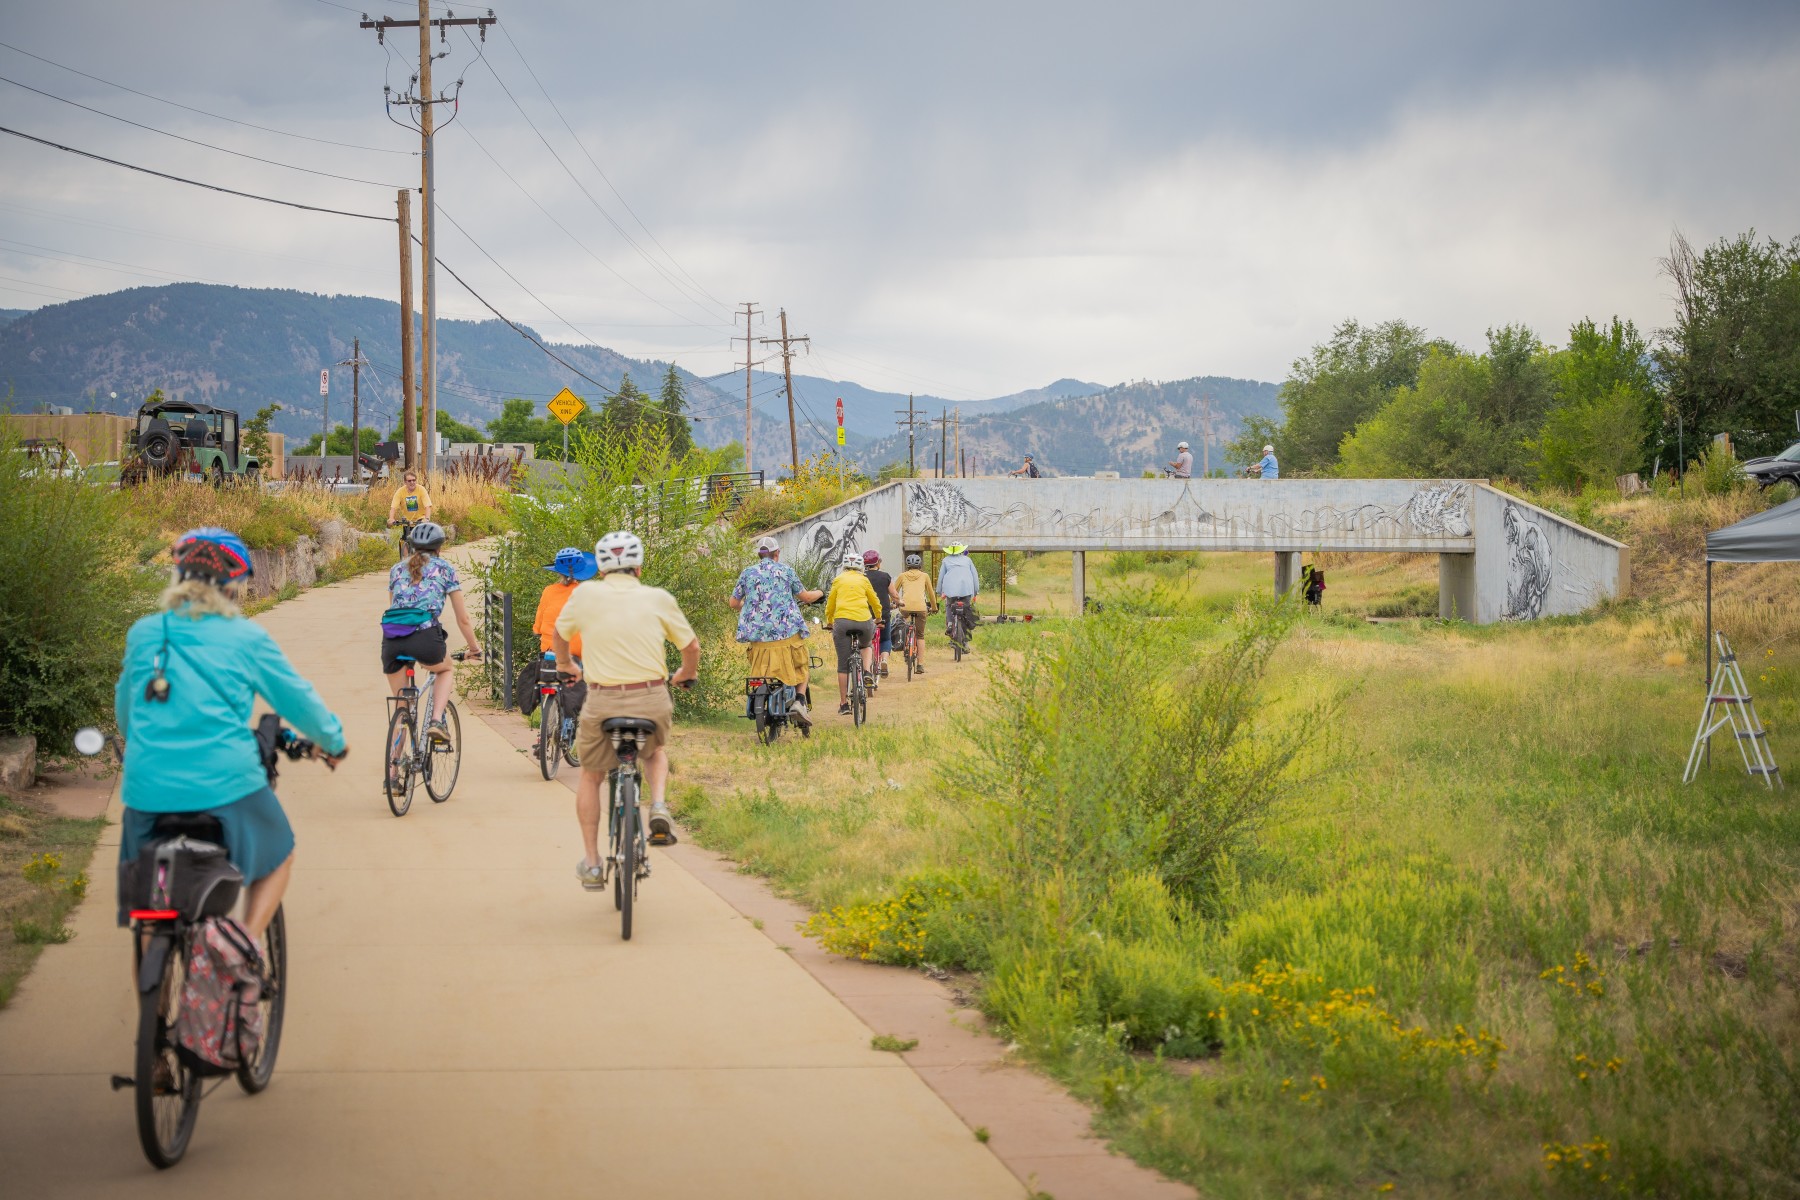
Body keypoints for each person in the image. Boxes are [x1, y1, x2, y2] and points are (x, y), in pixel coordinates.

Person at [115, 527, 348, 942]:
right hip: (225, 783)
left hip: (148, 786)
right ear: (234, 585)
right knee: (278, 856)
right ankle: (240, 945)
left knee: (150, 912)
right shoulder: (246, 638)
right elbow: (297, 700)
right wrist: (333, 742)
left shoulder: (144, 633)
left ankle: (153, 999)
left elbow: (126, 715)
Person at [554, 531, 700, 878]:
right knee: (654, 750)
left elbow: (560, 635)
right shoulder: (657, 598)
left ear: (600, 569)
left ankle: (592, 863)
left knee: (591, 775)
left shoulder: (585, 593)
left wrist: (566, 666)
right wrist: (684, 674)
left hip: (603, 698)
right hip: (650, 696)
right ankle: (659, 805)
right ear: (639, 565)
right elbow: (691, 647)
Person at [381, 521, 483, 765]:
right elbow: (463, 619)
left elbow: (396, 606)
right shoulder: (445, 569)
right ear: (440, 547)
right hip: (426, 638)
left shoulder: (396, 569)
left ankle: (394, 773)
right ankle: (437, 720)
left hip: (392, 640)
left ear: (412, 545)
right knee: (445, 668)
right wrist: (474, 648)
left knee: (401, 708)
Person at [728, 535, 824, 727]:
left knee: (760, 669)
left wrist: (751, 607)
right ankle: (799, 700)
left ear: (759, 554)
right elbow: (805, 597)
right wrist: (821, 592)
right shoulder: (786, 571)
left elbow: (733, 603)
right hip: (785, 634)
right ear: (777, 553)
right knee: (802, 664)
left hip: (757, 638)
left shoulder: (747, 573)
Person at [530, 547, 595, 747]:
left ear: (557, 571)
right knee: (582, 688)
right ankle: (568, 725)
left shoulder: (548, 591)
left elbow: (537, 627)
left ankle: (545, 730)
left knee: (547, 684)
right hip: (576, 652)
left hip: (549, 651)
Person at [822, 551, 882, 715]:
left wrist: (829, 621)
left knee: (843, 665)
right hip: (864, 621)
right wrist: (878, 617)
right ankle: (867, 671)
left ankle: (843, 704)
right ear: (861, 566)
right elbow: (874, 600)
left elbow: (831, 603)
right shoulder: (864, 580)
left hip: (841, 622)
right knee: (866, 644)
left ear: (844, 565)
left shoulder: (838, 579)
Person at [890, 552, 937, 672]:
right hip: (921, 608)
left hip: (905, 607)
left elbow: (894, 592)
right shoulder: (925, 576)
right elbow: (931, 593)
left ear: (907, 566)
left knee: (902, 624)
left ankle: (906, 644)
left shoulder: (902, 576)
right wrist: (934, 607)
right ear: (920, 565)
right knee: (920, 635)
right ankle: (920, 664)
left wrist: (892, 603)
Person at [936, 543, 980, 647]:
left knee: (949, 605)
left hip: (950, 591)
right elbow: (975, 576)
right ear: (961, 550)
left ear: (950, 551)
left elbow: (941, 577)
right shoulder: (968, 560)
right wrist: (975, 591)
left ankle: (950, 624)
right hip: (966, 590)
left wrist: (939, 591)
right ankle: (966, 642)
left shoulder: (946, 560)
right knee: (967, 610)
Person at [862, 549, 895, 682]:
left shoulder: (862, 577)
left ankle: (866, 668)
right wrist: (899, 602)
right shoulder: (885, 576)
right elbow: (894, 594)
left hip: (865, 615)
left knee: (865, 643)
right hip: (882, 615)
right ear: (878, 563)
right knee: (886, 639)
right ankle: (884, 660)